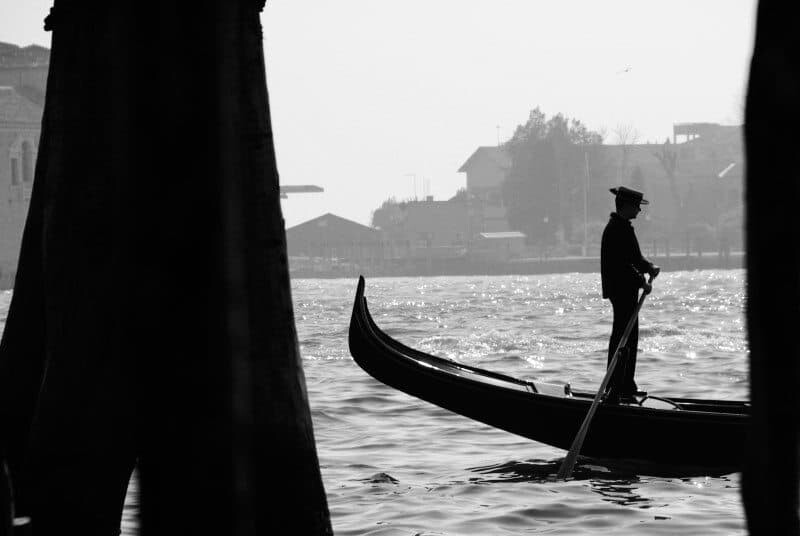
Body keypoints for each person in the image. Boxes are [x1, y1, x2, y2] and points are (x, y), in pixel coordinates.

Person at [601, 186, 660, 403]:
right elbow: (621, 264)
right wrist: (641, 282)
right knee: (622, 336)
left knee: (630, 336)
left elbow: (635, 257)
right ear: (625, 206)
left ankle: (625, 384)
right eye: (636, 206)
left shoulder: (623, 227)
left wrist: (649, 267)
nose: (639, 210)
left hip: (627, 289)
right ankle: (615, 386)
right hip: (621, 290)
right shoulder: (616, 229)